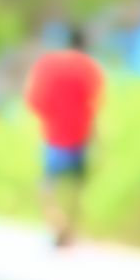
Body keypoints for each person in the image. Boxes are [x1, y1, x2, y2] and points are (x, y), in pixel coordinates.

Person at [26, 47, 100, 247]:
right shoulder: (88, 67)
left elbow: (36, 102)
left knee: (47, 189)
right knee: (76, 189)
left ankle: (58, 226)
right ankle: (70, 230)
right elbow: (94, 103)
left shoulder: (48, 66)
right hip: (81, 138)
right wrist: (97, 139)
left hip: (55, 139)